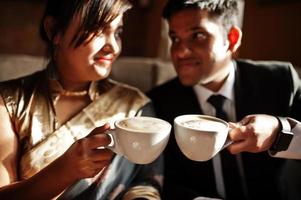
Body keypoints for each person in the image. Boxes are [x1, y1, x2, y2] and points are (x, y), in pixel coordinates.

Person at [0, 0, 162, 199]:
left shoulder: (134, 104)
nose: (113, 47)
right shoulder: (8, 102)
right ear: (53, 30)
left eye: (117, 33)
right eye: (98, 30)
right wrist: (64, 171)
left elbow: (145, 184)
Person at [148, 0, 301, 199]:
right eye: (174, 38)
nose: (180, 52)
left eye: (198, 35)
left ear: (232, 38)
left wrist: (279, 133)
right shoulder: (157, 102)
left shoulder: (280, 81)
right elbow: (160, 181)